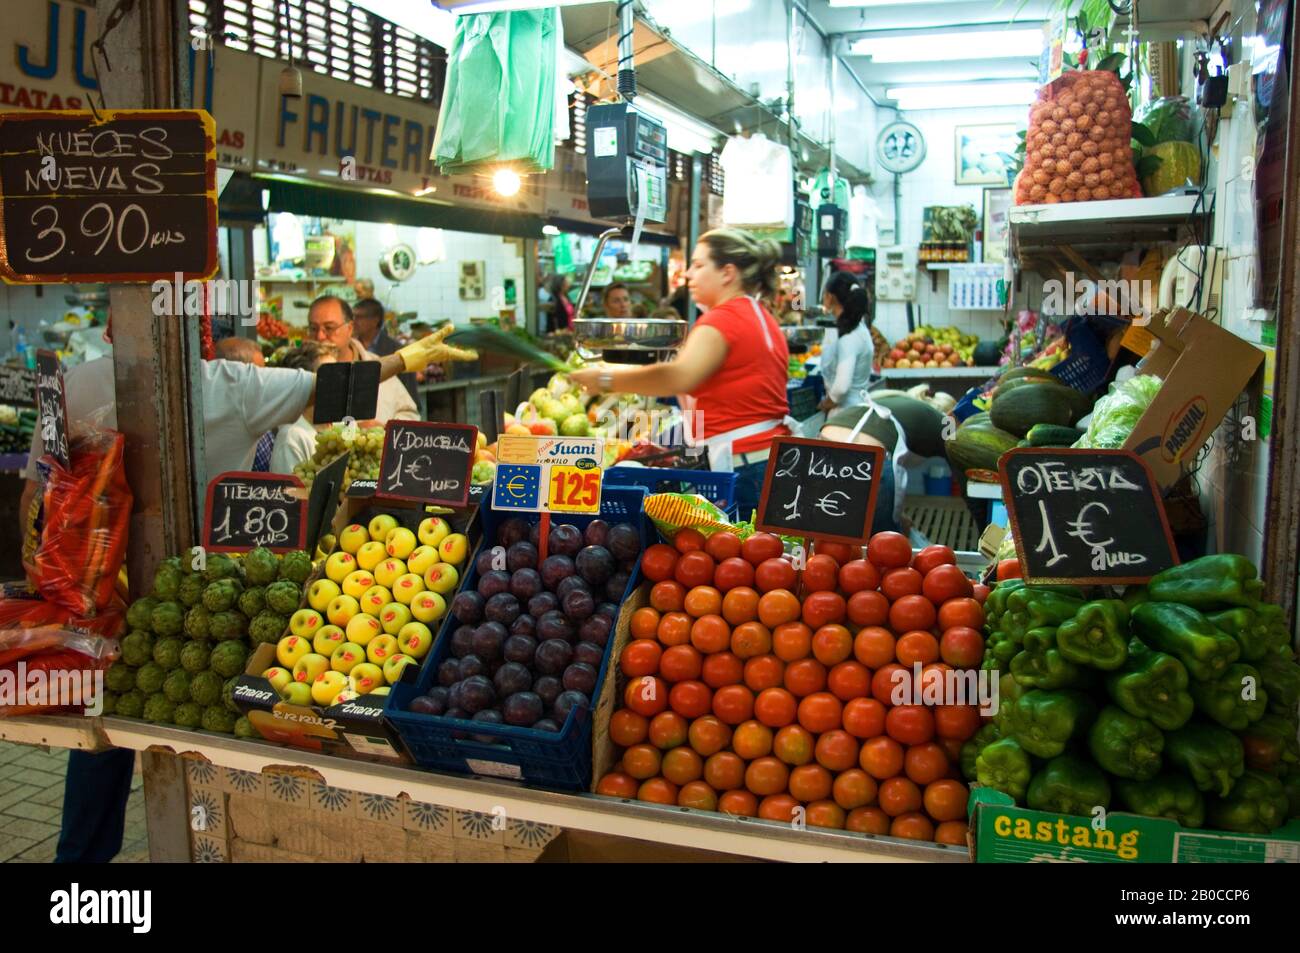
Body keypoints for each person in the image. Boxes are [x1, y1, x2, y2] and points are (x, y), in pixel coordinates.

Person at [22, 325, 476, 864]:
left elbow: (38, 494)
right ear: (200, 338)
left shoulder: (74, 382)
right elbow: (330, 388)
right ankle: (213, 843)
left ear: (109, 328)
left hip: (103, 591)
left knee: (107, 726)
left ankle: (79, 868)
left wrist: (47, 588)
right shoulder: (225, 382)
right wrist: (404, 357)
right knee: (211, 725)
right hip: (212, 593)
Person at [571, 228, 793, 519]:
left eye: (699, 265)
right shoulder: (758, 315)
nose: (688, 274)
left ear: (727, 272)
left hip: (745, 466)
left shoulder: (723, 319)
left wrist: (605, 380)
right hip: (767, 460)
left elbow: (679, 376)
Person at [306, 295, 419, 423]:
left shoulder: (377, 366)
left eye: (329, 328)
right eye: (313, 329)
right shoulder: (300, 372)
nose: (320, 336)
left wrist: (385, 430)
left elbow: (409, 414)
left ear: (349, 328)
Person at [269, 341, 339, 474]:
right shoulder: (291, 438)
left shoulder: (339, 425)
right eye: (330, 377)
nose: (339, 382)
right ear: (305, 385)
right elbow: (291, 493)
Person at [817, 272, 876, 414]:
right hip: (857, 409)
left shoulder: (848, 336)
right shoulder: (859, 329)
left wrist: (824, 405)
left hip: (844, 415)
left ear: (830, 297)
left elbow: (841, 388)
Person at [352, 297, 418, 406]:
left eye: (359, 317)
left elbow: (411, 397)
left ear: (375, 320)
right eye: (352, 317)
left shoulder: (397, 352)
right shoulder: (352, 348)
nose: (354, 322)